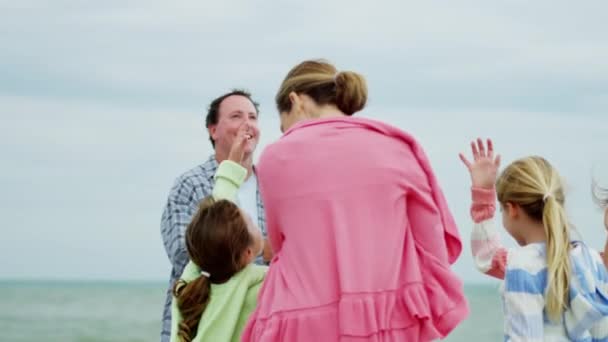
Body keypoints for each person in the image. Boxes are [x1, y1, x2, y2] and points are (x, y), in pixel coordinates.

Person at [242, 59, 468, 341]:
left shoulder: (275, 157)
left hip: (299, 321)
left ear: (295, 100)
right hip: (385, 320)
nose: (286, 133)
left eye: (283, 124)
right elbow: (433, 246)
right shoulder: (399, 148)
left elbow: (278, 245)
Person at [460, 138, 608, 340]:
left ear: (512, 210)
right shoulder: (591, 260)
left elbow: (486, 257)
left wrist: (483, 195)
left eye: (502, 209)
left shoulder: (523, 266)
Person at [160, 90, 268, 342]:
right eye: (236, 116)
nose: (247, 124)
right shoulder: (189, 184)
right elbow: (184, 254)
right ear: (213, 130)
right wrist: (263, 249)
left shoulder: (273, 185)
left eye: (252, 116)